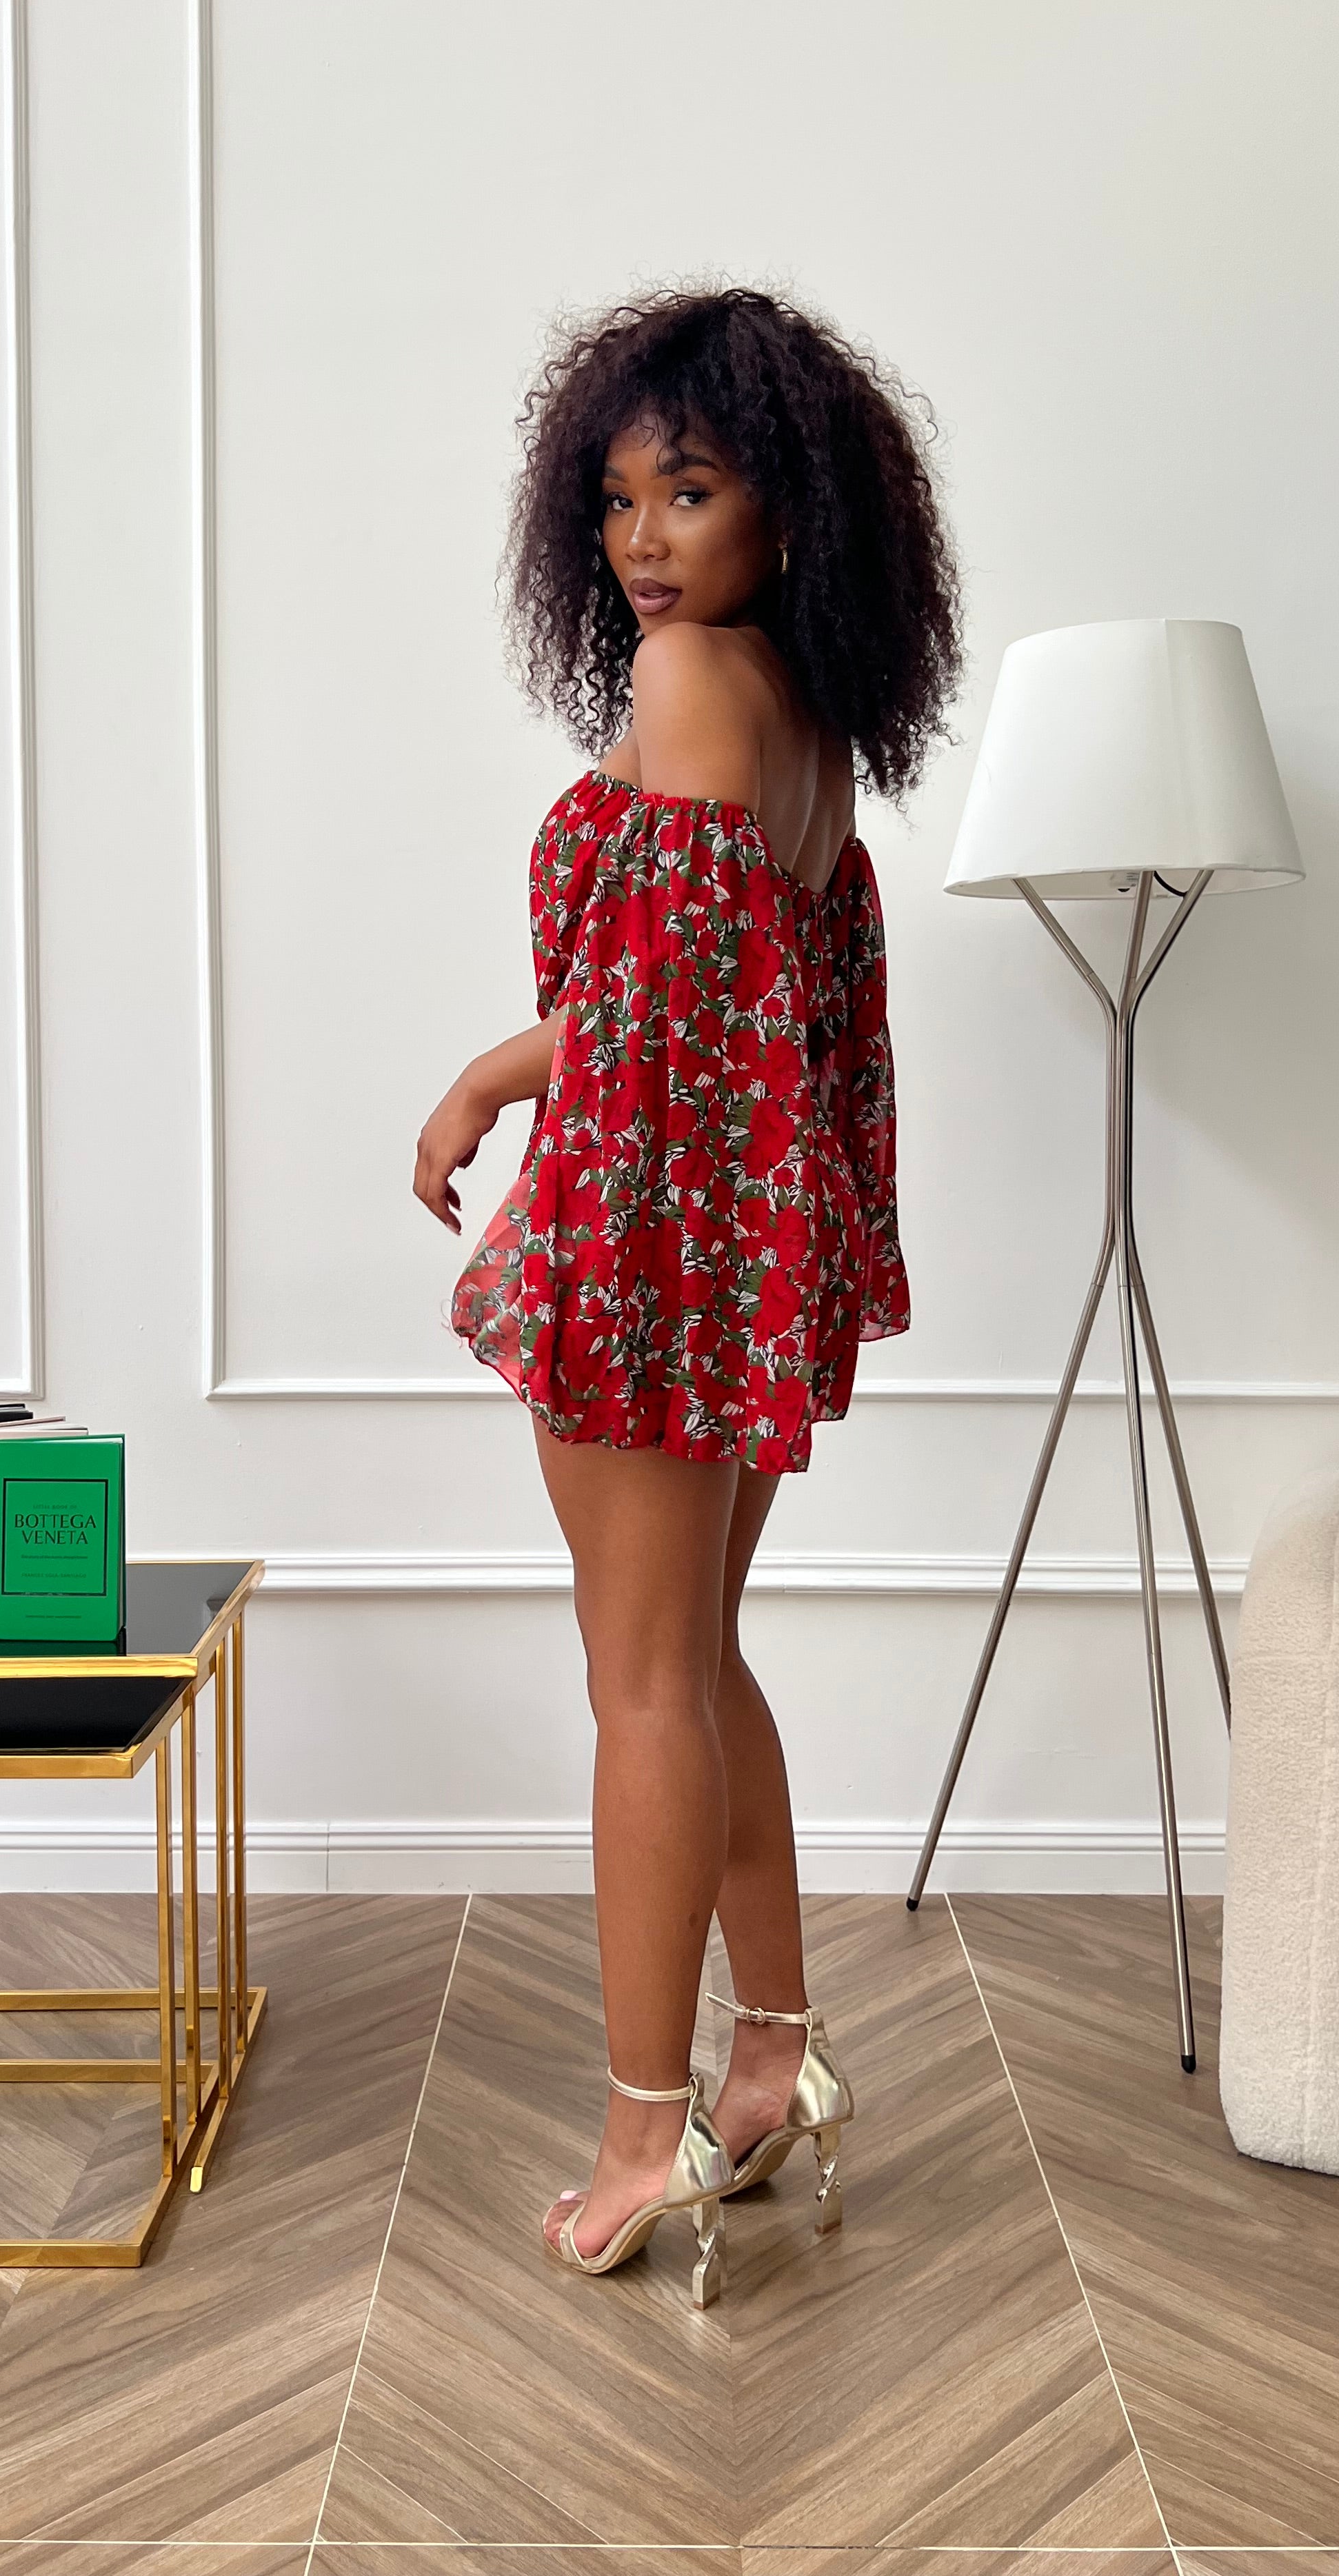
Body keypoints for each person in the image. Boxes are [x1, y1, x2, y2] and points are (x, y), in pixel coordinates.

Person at [413, 287, 961, 2304]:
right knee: (700, 1662)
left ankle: (644, 2131)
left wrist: (497, 1083)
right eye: (620, 499)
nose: (643, 539)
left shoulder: (692, 678)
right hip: (731, 1255)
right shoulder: (801, 719)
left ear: (788, 508)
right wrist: (512, 1079)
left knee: (641, 1683)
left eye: (693, 491)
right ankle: (770, 2052)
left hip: (651, 1255)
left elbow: (651, 1021)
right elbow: (727, 1010)